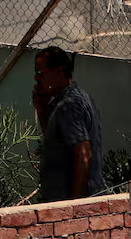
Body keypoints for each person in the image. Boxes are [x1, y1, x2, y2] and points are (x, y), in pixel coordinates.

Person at [33, 45, 104, 201]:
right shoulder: (76, 99)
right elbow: (58, 144)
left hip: (69, 205)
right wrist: (43, 111)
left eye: (41, 73)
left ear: (59, 71)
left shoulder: (69, 105)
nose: (36, 79)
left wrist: (73, 209)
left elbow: (83, 155)